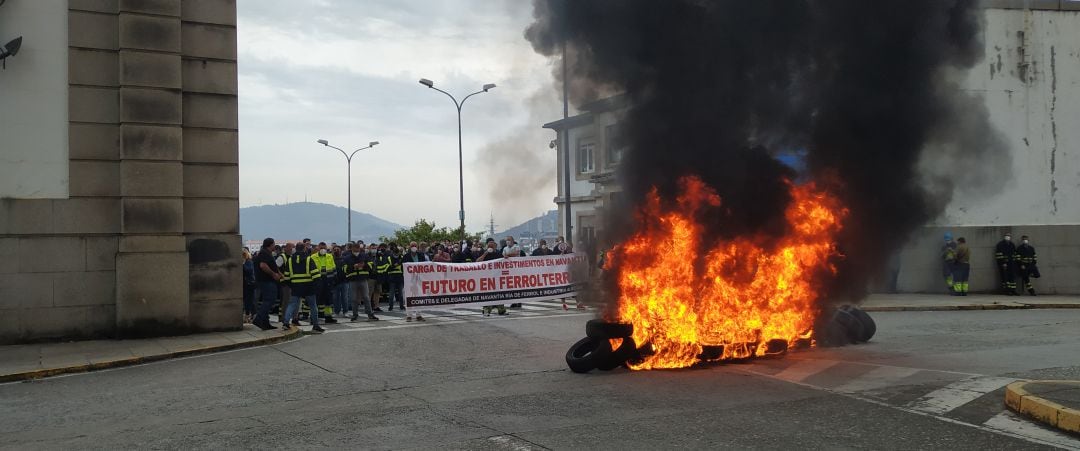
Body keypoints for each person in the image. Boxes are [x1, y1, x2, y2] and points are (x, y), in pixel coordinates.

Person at [283, 242, 324, 333]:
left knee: (292, 305)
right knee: (313, 306)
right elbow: (316, 275)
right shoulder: (309, 259)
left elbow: (286, 276)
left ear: (295, 249)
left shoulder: (290, 260)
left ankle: (285, 323)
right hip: (308, 286)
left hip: (296, 286)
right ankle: (316, 325)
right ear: (304, 249)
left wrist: (292, 285)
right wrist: (316, 286)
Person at [252, 238, 283, 330]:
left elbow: (271, 265)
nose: (274, 246)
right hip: (266, 281)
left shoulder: (267, 253)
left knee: (267, 300)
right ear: (270, 245)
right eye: (273, 244)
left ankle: (265, 323)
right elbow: (263, 265)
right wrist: (273, 274)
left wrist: (279, 274)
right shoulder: (264, 253)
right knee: (270, 300)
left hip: (267, 281)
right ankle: (258, 318)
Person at [344, 242, 379, 321]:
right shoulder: (347, 258)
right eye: (355, 248)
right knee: (354, 299)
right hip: (353, 280)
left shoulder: (364, 256)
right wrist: (353, 266)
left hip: (363, 279)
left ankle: (370, 314)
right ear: (352, 249)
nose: (356, 250)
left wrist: (364, 266)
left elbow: (371, 265)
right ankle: (355, 315)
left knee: (366, 297)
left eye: (358, 248)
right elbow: (344, 269)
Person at [478, 241, 507, 316]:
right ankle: (486, 310)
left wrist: (505, 258)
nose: (490, 247)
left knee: (499, 294)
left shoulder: (498, 254)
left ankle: (501, 310)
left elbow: (504, 261)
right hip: (487, 278)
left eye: (492, 246)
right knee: (488, 295)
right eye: (489, 246)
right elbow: (477, 261)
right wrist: (485, 254)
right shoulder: (484, 253)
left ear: (495, 247)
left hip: (497, 277)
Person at [312, 242, 338, 324]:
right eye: (321, 248)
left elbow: (334, 268)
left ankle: (328, 317)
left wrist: (334, 280)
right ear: (318, 248)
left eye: (324, 248)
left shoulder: (330, 256)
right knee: (316, 300)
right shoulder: (313, 257)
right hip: (317, 280)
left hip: (328, 280)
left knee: (328, 300)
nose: (323, 250)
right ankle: (314, 318)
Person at [402, 243, 428, 321]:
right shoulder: (406, 256)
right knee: (409, 296)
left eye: (415, 246)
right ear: (410, 247)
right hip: (409, 279)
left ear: (417, 247)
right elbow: (402, 267)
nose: (414, 247)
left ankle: (418, 315)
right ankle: (409, 315)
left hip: (419, 278)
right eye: (412, 246)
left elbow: (424, 265)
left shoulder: (421, 255)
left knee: (419, 296)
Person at [387, 242, 406, 313]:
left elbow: (403, 267)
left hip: (400, 277)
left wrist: (396, 266)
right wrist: (395, 265)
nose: (396, 255)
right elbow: (387, 268)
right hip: (392, 277)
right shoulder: (389, 258)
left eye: (397, 253)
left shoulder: (402, 257)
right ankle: (390, 306)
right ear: (393, 253)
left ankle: (401, 306)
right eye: (395, 253)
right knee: (391, 294)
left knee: (401, 294)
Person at [369, 243, 385, 312]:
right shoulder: (367, 256)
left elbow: (384, 264)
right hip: (370, 276)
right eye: (372, 248)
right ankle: (368, 306)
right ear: (370, 249)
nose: (374, 250)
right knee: (369, 292)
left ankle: (376, 306)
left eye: (375, 248)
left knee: (377, 292)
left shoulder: (380, 256)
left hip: (379, 276)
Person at [242, 248, 256, 323]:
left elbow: (249, 271)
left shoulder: (249, 262)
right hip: (245, 284)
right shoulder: (247, 261)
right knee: (248, 300)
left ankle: (250, 315)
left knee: (249, 300)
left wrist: (243, 264)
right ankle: (249, 315)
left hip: (249, 284)